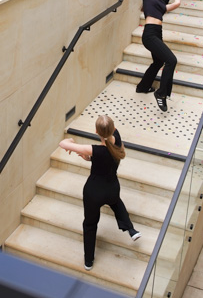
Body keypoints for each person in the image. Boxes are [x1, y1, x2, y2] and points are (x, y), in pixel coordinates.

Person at [59, 115, 141, 271]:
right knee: (116, 202)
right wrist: (89, 158)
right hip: (111, 188)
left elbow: (62, 143)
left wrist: (71, 142)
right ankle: (131, 229)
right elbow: (105, 158)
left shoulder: (94, 149)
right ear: (113, 128)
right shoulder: (116, 139)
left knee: (90, 224)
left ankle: (88, 261)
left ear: (96, 131)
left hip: (93, 192)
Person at [102, 0, 180, 111]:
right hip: (150, 34)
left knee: (158, 62)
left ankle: (143, 87)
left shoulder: (161, 4)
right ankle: (161, 94)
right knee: (171, 60)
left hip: (157, 33)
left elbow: (173, 5)